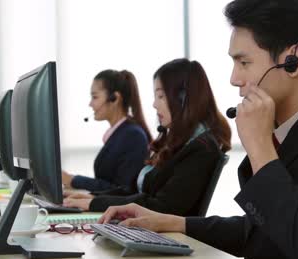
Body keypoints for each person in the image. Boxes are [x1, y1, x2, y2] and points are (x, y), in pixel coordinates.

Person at [97, 1, 298, 259]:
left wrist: (261, 149)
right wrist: (173, 222)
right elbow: (263, 231)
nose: (234, 79)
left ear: (293, 60)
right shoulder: (290, 131)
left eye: (244, 62)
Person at [63, 58, 232, 216]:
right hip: (148, 230)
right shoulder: (176, 142)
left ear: (182, 99)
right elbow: (133, 191)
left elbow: (161, 206)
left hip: (166, 238)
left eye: (161, 96)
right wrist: (93, 198)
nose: (154, 104)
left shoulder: (200, 148)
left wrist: (95, 204)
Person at [62, 69, 152, 193]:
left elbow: (123, 190)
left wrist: (73, 180)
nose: (90, 104)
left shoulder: (133, 136)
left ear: (114, 98)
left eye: (95, 97)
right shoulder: (119, 134)